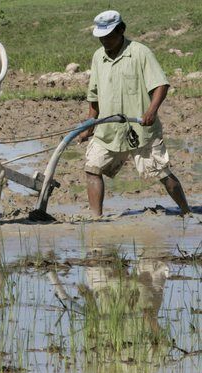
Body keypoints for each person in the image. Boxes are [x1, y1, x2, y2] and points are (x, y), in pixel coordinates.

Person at [78, 10, 190, 218]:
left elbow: (161, 85)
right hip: (108, 129)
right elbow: (94, 97)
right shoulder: (98, 57)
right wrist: (89, 126)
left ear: (121, 30)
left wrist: (151, 111)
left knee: (161, 172)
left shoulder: (140, 53)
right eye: (101, 37)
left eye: (109, 35)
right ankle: (96, 218)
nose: (104, 40)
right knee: (92, 167)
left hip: (140, 129)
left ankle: (187, 212)